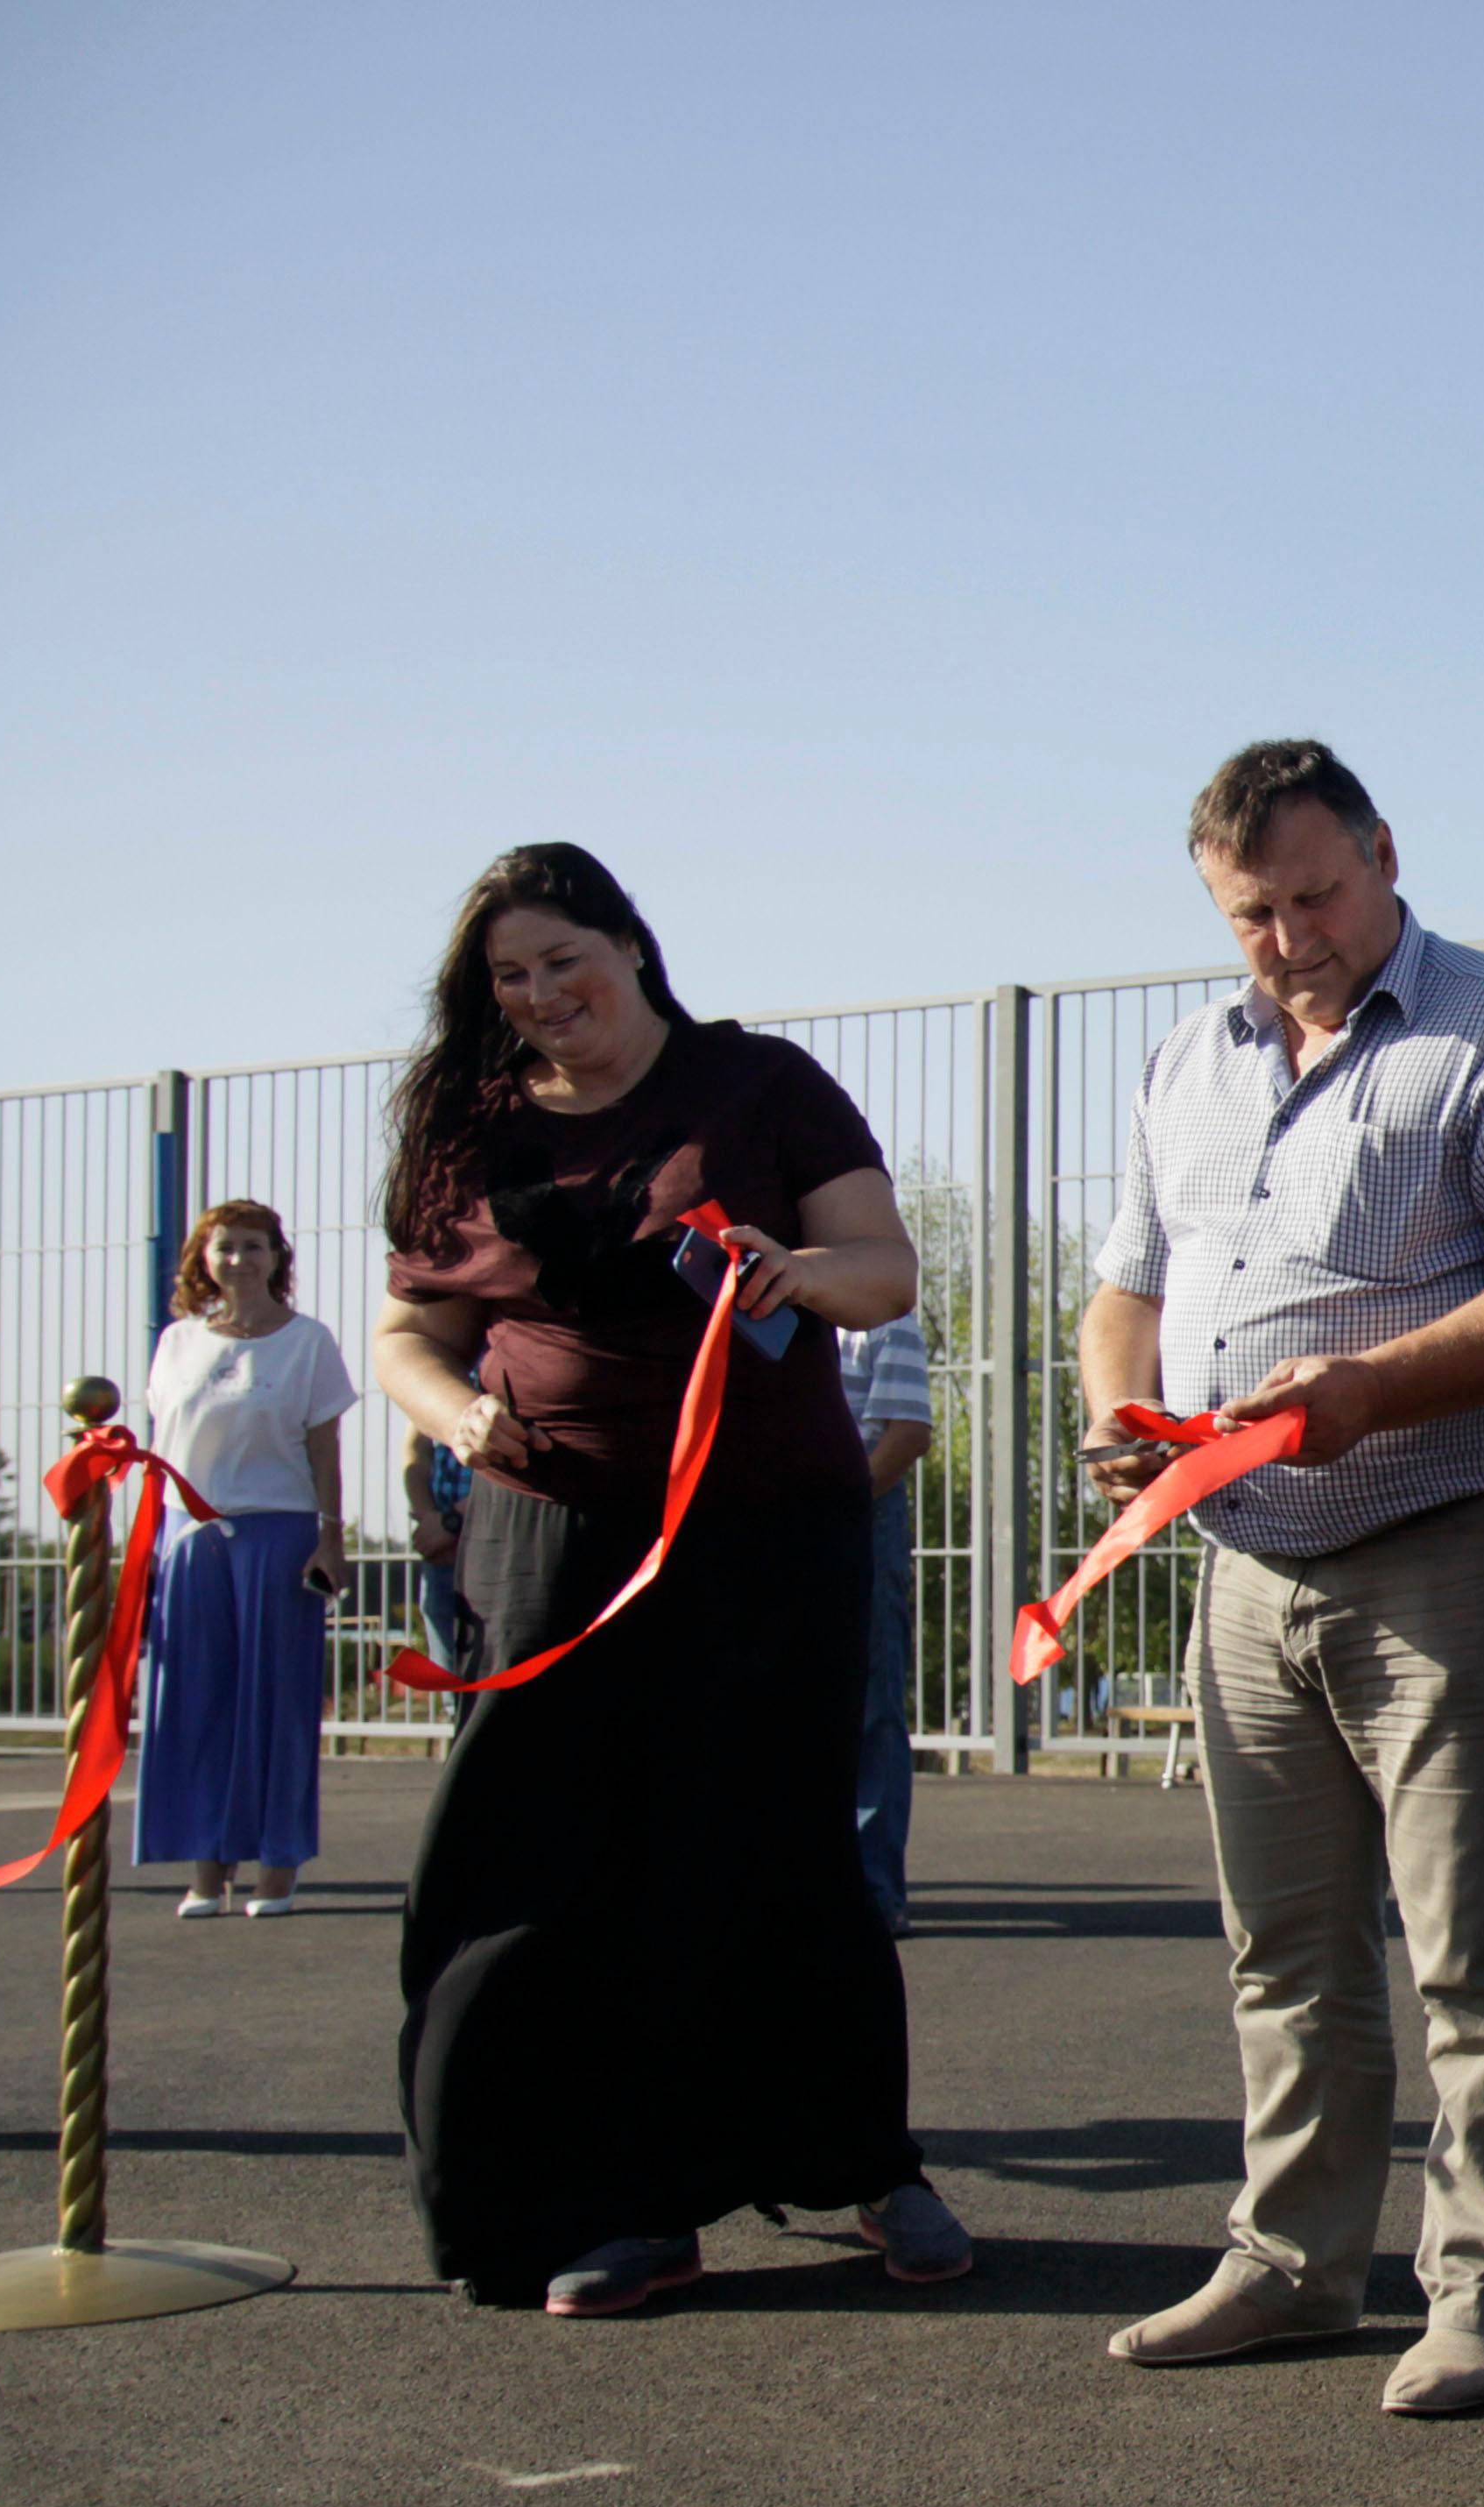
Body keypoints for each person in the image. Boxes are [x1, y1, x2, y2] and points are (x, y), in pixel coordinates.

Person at [1078, 738, 1484, 2417]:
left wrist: (1360, 1396)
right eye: (1253, 911)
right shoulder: (1188, 1062)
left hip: (1458, 1535)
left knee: (1477, 1946)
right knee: (1287, 1945)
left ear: (1387, 853)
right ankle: (1297, 2263)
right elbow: (1128, 1288)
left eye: (1317, 893)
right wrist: (1121, 1409)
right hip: (1246, 1561)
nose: (1292, 934)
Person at [369, 841, 973, 2318]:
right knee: (549, 1861)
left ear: (630, 946)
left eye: (561, 960)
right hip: (552, 1536)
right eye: (509, 977)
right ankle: (612, 2201)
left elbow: (881, 1273)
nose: (541, 994)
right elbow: (409, 1337)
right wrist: (456, 1421)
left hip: (768, 1527)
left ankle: (856, 2159)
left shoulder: (759, 1085)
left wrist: (792, 1270)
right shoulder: (471, 1124)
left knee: (777, 1842)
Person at [135, 1200, 357, 1919]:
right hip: (192, 1537)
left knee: (276, 1704)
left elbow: (324, 1447)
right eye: (224, 1247)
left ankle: (278, 1864)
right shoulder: (176, 1343)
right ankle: (207, 1868)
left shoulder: (308, 1341)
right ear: (203, 1258)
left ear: (276, 1258)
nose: (239, 1260)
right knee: (193, 1704)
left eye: (253, 1247)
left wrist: (331, 1535)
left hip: (280, 1532)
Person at [838, 1311, 936, 1935]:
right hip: (771, 1509)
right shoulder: (751, 1297)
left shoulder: (879, 1312)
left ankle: (873, 1890)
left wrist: (836, 1499)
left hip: (859, 1507)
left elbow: (907, 1431)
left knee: (872, 1702)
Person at [402, 1427, 476, 1696]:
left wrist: (451, 1523)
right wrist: (429, 1521)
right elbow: (416, 1447)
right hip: (441, 1553)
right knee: (453, 1701)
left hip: (499, 1541)